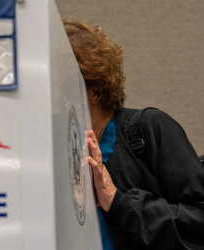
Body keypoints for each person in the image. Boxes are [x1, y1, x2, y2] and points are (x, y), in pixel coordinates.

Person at [63, 19, 204, 250]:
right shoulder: (56, 153)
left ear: (94, 92)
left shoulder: (150, 129)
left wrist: (118, 202)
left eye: (62, 89)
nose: (52, 102)